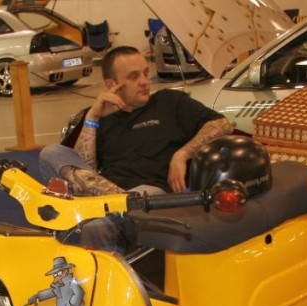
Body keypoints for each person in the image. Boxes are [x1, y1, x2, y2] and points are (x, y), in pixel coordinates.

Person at [38, 45, 233, 252]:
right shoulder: (101, 117)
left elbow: (222, 124)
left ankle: (115, 204)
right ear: (111, 84)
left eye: (146, 73)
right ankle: (116, 204)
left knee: (105, 217)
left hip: (153, 197)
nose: (144, 81)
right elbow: (84, 171)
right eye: (133, 76)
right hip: (108, 200)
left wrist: (183, 153)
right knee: (51, 153)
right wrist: (92, 117)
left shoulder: (169, 101)